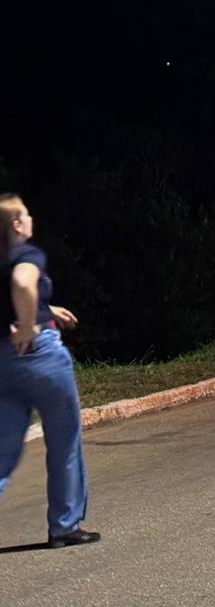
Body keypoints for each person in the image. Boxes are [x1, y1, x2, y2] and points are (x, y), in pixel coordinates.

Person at [0, 193, 100, 548]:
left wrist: (45, 307)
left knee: (2, 454)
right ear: (15, 223)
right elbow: (22, 284)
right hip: (40, 357)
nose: (30, 217)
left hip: (3, 362)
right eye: (25, 212)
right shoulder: (27, 255)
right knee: (64, 441)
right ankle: (65, 526)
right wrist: (29, 325)